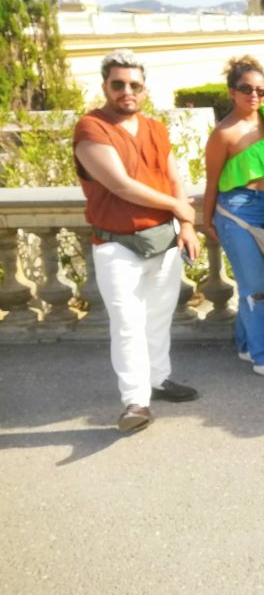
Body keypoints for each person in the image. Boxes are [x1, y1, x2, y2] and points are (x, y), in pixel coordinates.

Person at [73, 49, 200, 431]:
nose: (127, 91)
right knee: (127, 324)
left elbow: (174, 177)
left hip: (162, 239)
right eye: (118, 85)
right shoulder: (91, 128)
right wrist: (182, 208)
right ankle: (135, 402)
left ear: (145, 89)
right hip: (116, 244)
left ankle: (158, 379)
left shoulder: (156, 128)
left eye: (134, 85)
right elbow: (120, 185)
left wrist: (186, 225)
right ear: (105, 87)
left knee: (159, 318)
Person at [203, 56, 264, 380]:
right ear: (231, 91)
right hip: (238, 212)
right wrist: (206, 220)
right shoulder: (223, 134)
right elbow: (212, 181)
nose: (254, 95)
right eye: (246, 89)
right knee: (255, 289)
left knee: (251, 283)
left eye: (261, 90)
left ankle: (244, 344)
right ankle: (263, 357)